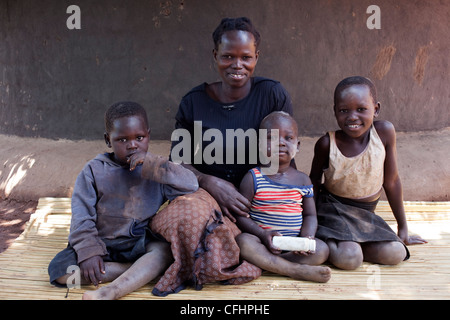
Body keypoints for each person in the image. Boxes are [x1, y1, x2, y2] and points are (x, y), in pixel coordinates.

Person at [149, 17, 292, 295]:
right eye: (228, 56)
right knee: (189, 214)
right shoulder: (194, 102)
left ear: (256, 57)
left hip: (255, 198)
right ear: (215, 56)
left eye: (245, 57)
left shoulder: (273, 95)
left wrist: (285, 198)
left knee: (274, 231)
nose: (237, 65)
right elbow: (178, 161)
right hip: (207, 198)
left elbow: (283, 155)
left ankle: (228, 246)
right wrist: (209, 181)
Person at [48, 101, 199, 299]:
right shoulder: (93, 171)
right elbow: (81, 217)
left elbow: (191, 185)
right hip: (100, 242)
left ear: (148, 135)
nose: (132, 145)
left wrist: (154, 164)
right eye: (122, 140)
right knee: (60, 273)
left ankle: (111, 291)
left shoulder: (156, 170)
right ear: (108, 140)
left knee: (164, 252)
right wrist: (89, 252)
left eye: (139, 137)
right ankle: (137, 271)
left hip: (137, 242)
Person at [309, 76, 427, 270]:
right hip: (334, 211)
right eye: (344, 110)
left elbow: (392, 182)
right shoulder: (327, 143)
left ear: (376, 109)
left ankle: (354, 244)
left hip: (365, 216)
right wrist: (311, 225)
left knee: (396, 253)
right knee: (350, 260)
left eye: (361, 109)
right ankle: (335, 242)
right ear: (335, 112)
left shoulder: (384, 133)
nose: (352, 117)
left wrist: (403, 227)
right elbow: (313, 182)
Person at [235, 111, 331, 283]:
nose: (280, 143)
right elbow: (241, 216)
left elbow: (310, 215)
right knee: (243, 241)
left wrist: (307, 237)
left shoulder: (303, 180)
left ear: (298, 146)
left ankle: (270, 265)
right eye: (272, 138)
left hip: (294, 247)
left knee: (322, 249)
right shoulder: (253, 177)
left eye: (288, 138)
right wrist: (262, 234)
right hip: (263, 242)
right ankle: (293, 270)